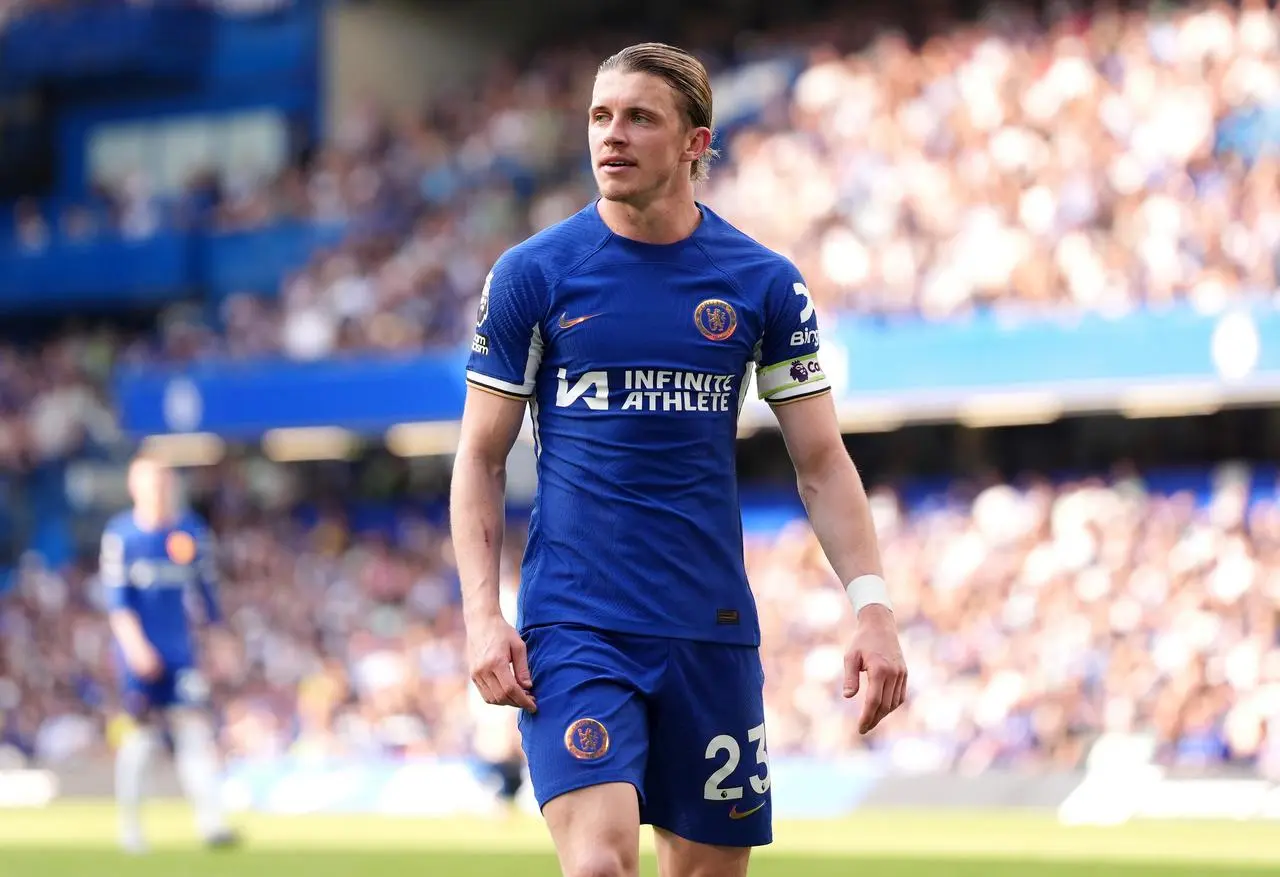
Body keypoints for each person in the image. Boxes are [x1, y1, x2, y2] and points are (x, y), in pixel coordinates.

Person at [451, 42, 907, 877]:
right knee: (599, 865)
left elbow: (821, 462)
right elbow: (479, 457)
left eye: (638, 118)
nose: (610, 137)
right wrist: (484, 613)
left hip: (710, 632)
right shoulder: (532, 276)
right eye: (599, 116)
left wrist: (872, 606)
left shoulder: (763, 283)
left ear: (696, 142)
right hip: (577, 627)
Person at [100, 454, 240, 853]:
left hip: (180, 653)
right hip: (138, 656)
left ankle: (211, 823)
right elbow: (118, 603)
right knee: (141, 740)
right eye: (150, 483)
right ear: (135, 488)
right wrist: (136, 648)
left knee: (194, 731)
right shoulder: (122, 537)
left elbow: (208, 596)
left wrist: (220, 642)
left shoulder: (188, 534)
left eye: (163, 483)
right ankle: (131, 829)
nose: (159, 491)